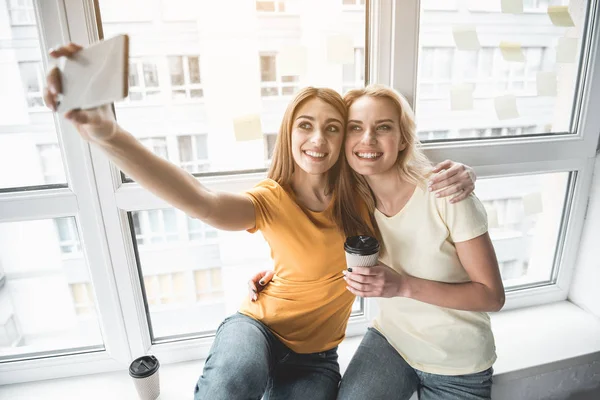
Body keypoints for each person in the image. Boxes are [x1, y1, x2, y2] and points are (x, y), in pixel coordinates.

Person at [44, 44, 477, 400]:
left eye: (332, 128)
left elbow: (402, 171)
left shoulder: (362, 195)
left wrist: (464, 172)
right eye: (305, 125)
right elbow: (202, 202)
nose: (317, 139)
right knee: (231, 384)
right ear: (289, 134)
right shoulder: (271, 199)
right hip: (258, 329)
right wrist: (106, 133)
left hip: (318, 357)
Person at [336, 84, 505, 400]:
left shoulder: (446, 194)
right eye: (354, 128)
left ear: (402, 139)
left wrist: (401, 286)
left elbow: (492, 297)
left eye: (383, 127)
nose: (367, 139)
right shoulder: (351, 201)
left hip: (458, 364)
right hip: (392, 341)